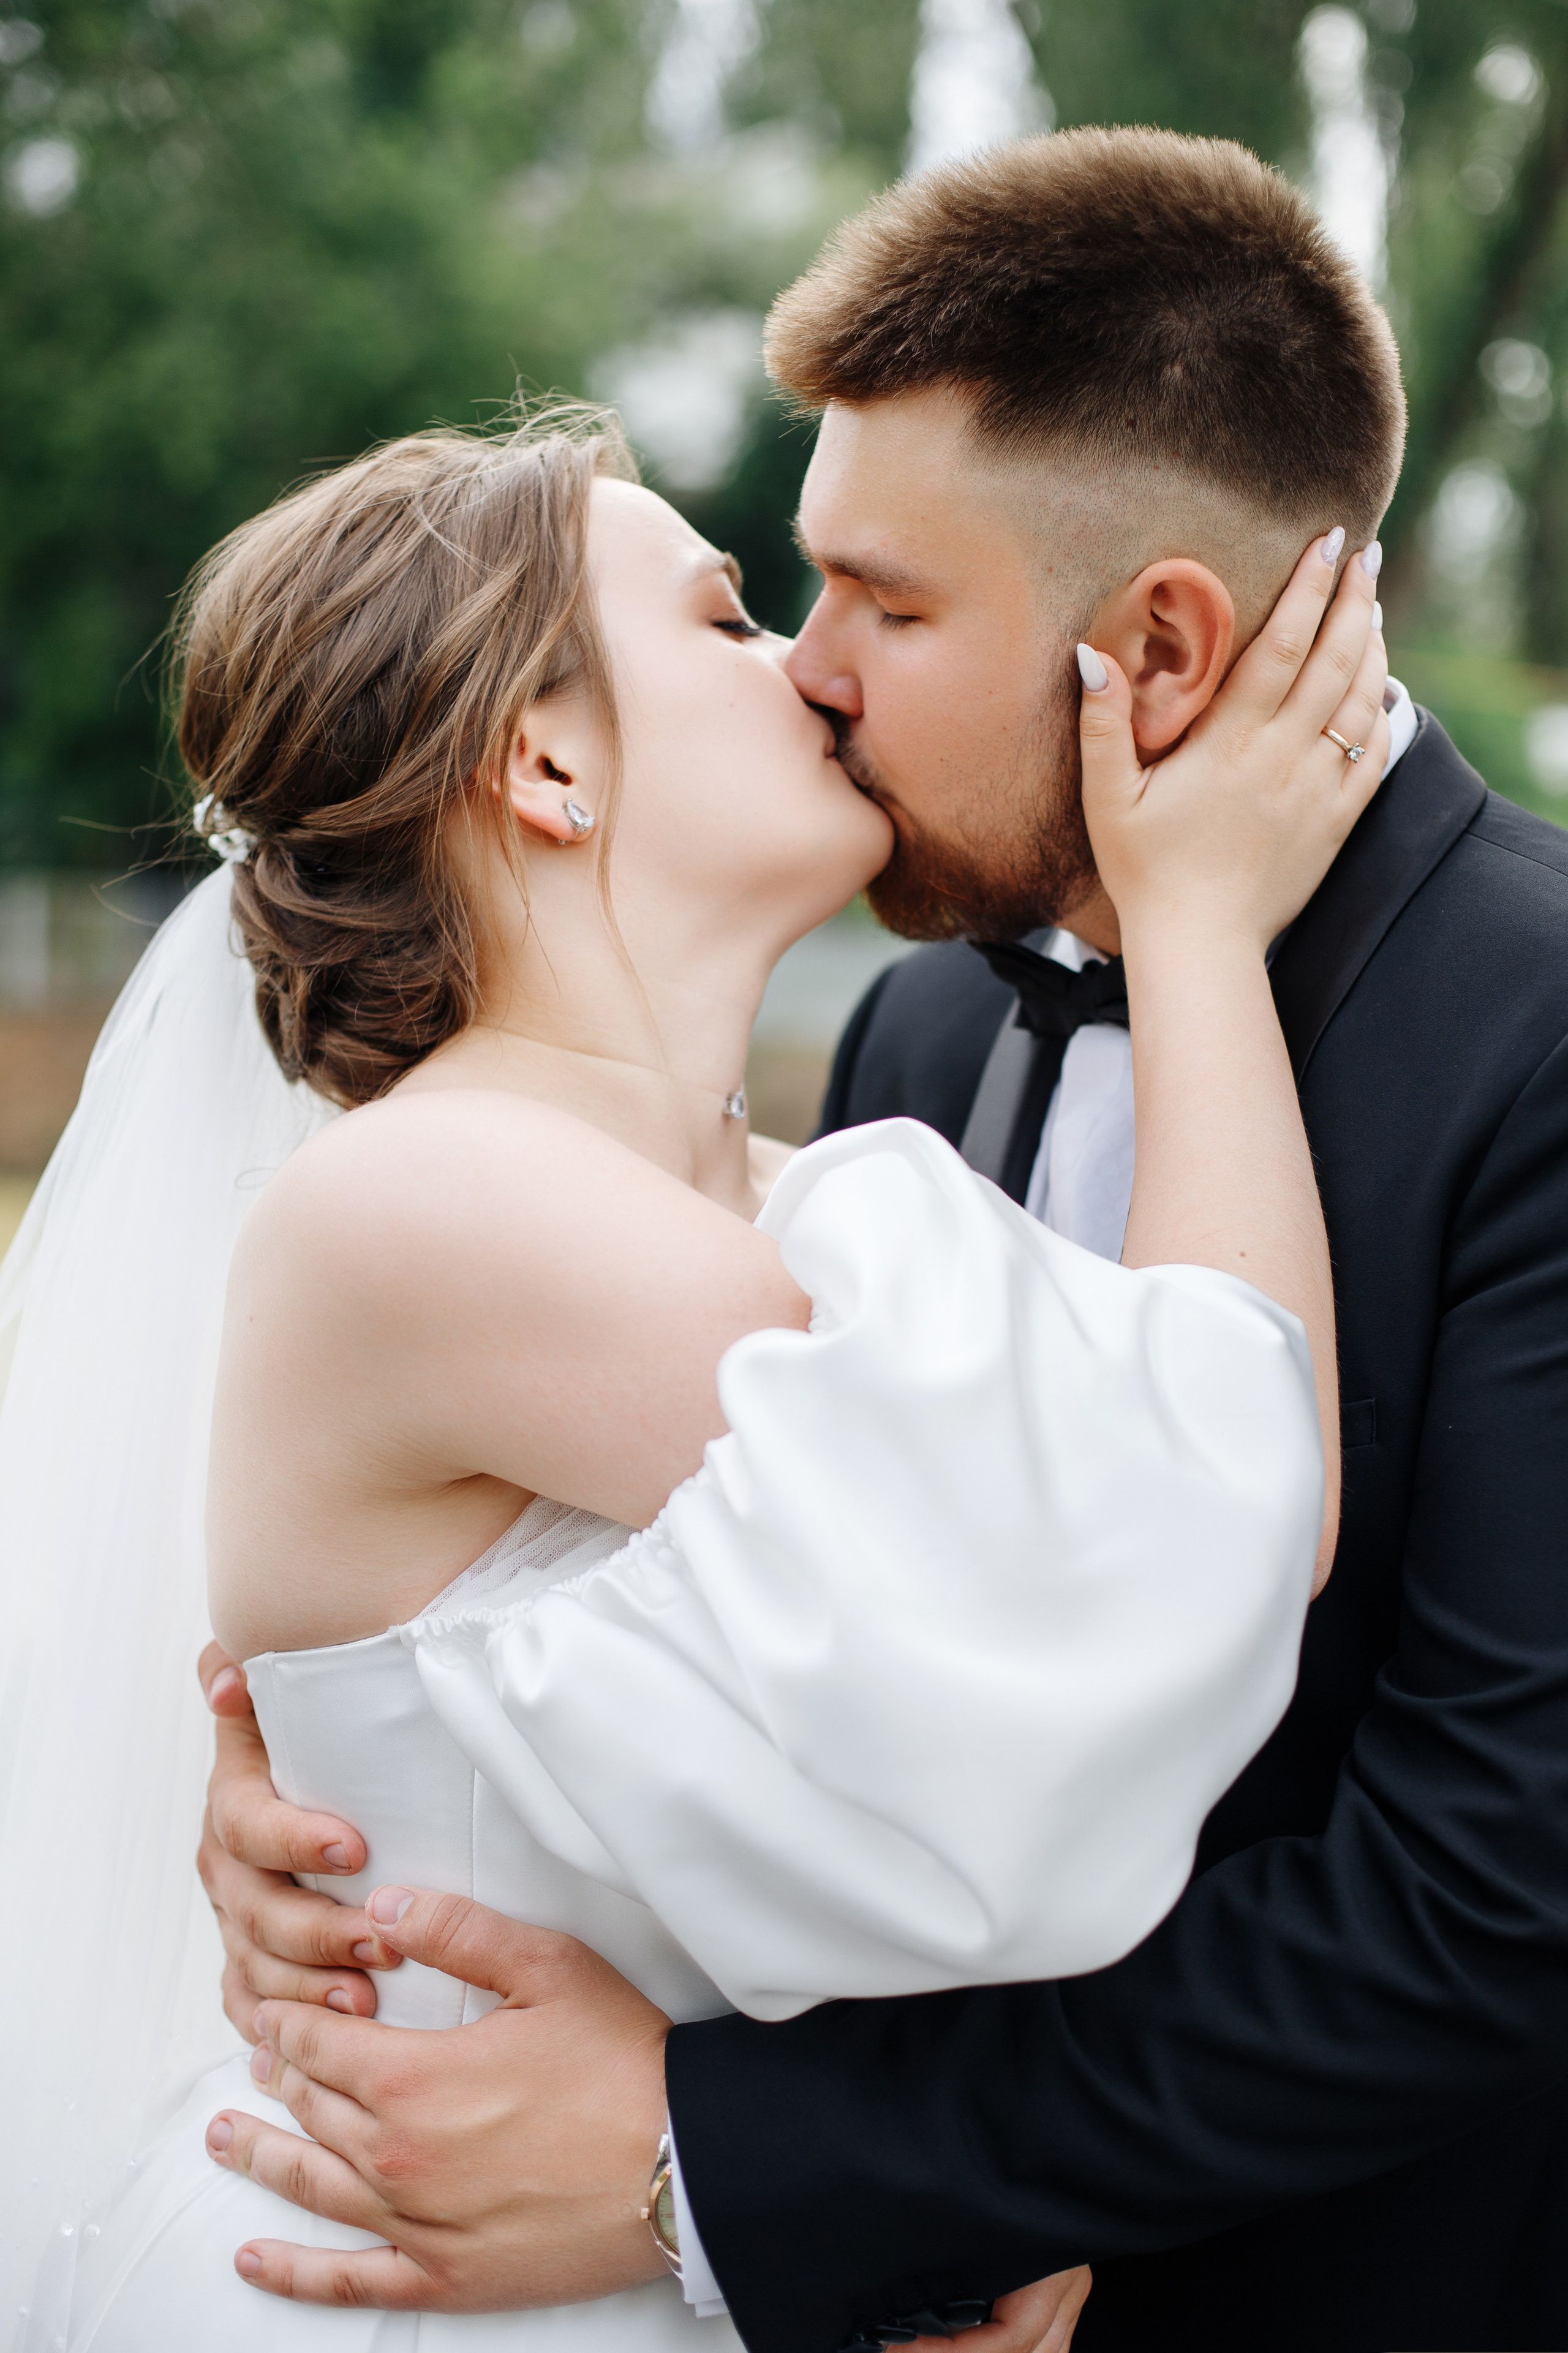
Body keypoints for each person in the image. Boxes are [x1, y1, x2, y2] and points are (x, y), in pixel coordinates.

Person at [195, 130, 1568, 2353]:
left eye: (881, 605)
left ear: (1161, 640)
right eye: (768, 603)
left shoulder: (1539, 1029)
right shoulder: (923, 1033)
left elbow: (1497, 1888)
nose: (815, 672)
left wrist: (789, 2174)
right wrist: (356, 1811)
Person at [0, 359, 1384, 2347]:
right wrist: (1201, 924)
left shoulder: (794, 1197)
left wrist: (932, 2201)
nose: (813, 665)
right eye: (729, 617)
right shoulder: (417, 1203)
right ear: (548, 764)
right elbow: (1199, 1521)